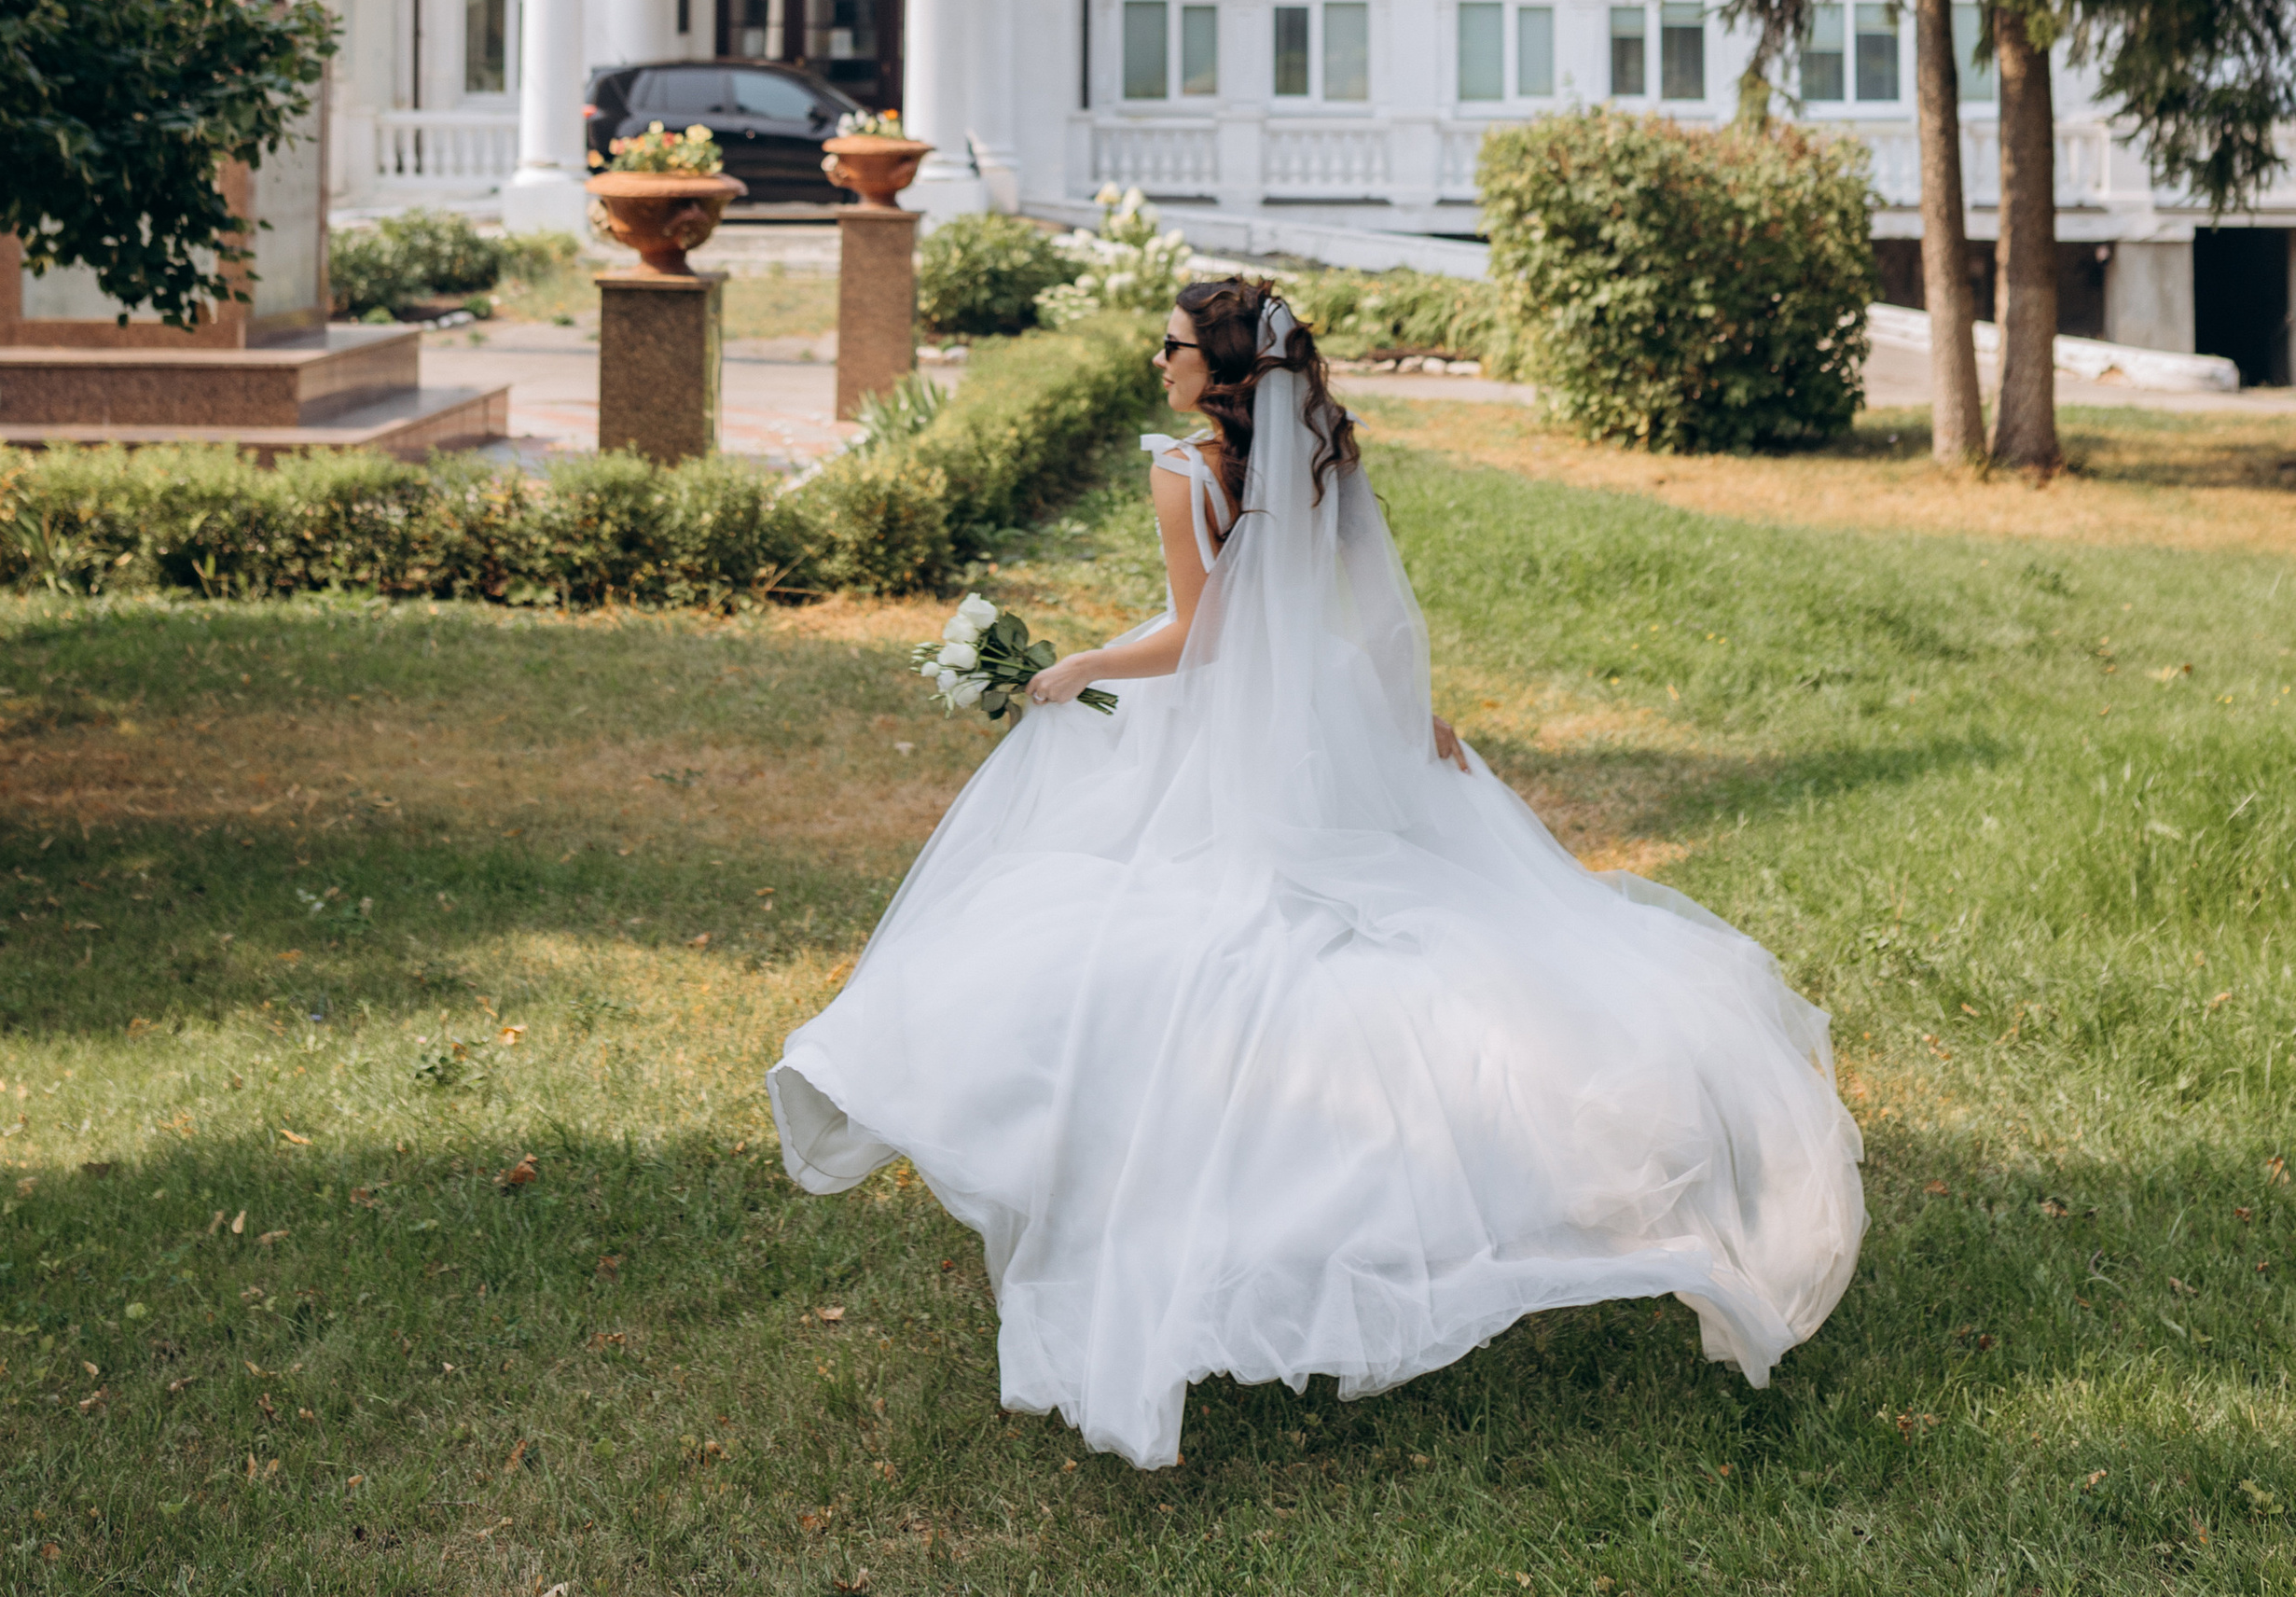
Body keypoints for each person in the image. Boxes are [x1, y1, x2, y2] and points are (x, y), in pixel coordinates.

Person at [769, 275, 1862, 1470]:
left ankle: (1197, 1233)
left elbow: (1202, 636)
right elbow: (1367, 612)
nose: (1158, 361)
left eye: (1175, 347)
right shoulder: (1321, 452)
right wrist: (1410, 722)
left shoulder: (1183, 471)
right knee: (1416, 925)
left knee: (1177, 948)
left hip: (1228, 744)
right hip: (1325, 719)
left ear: (1225, 373)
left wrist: (1079, 661)